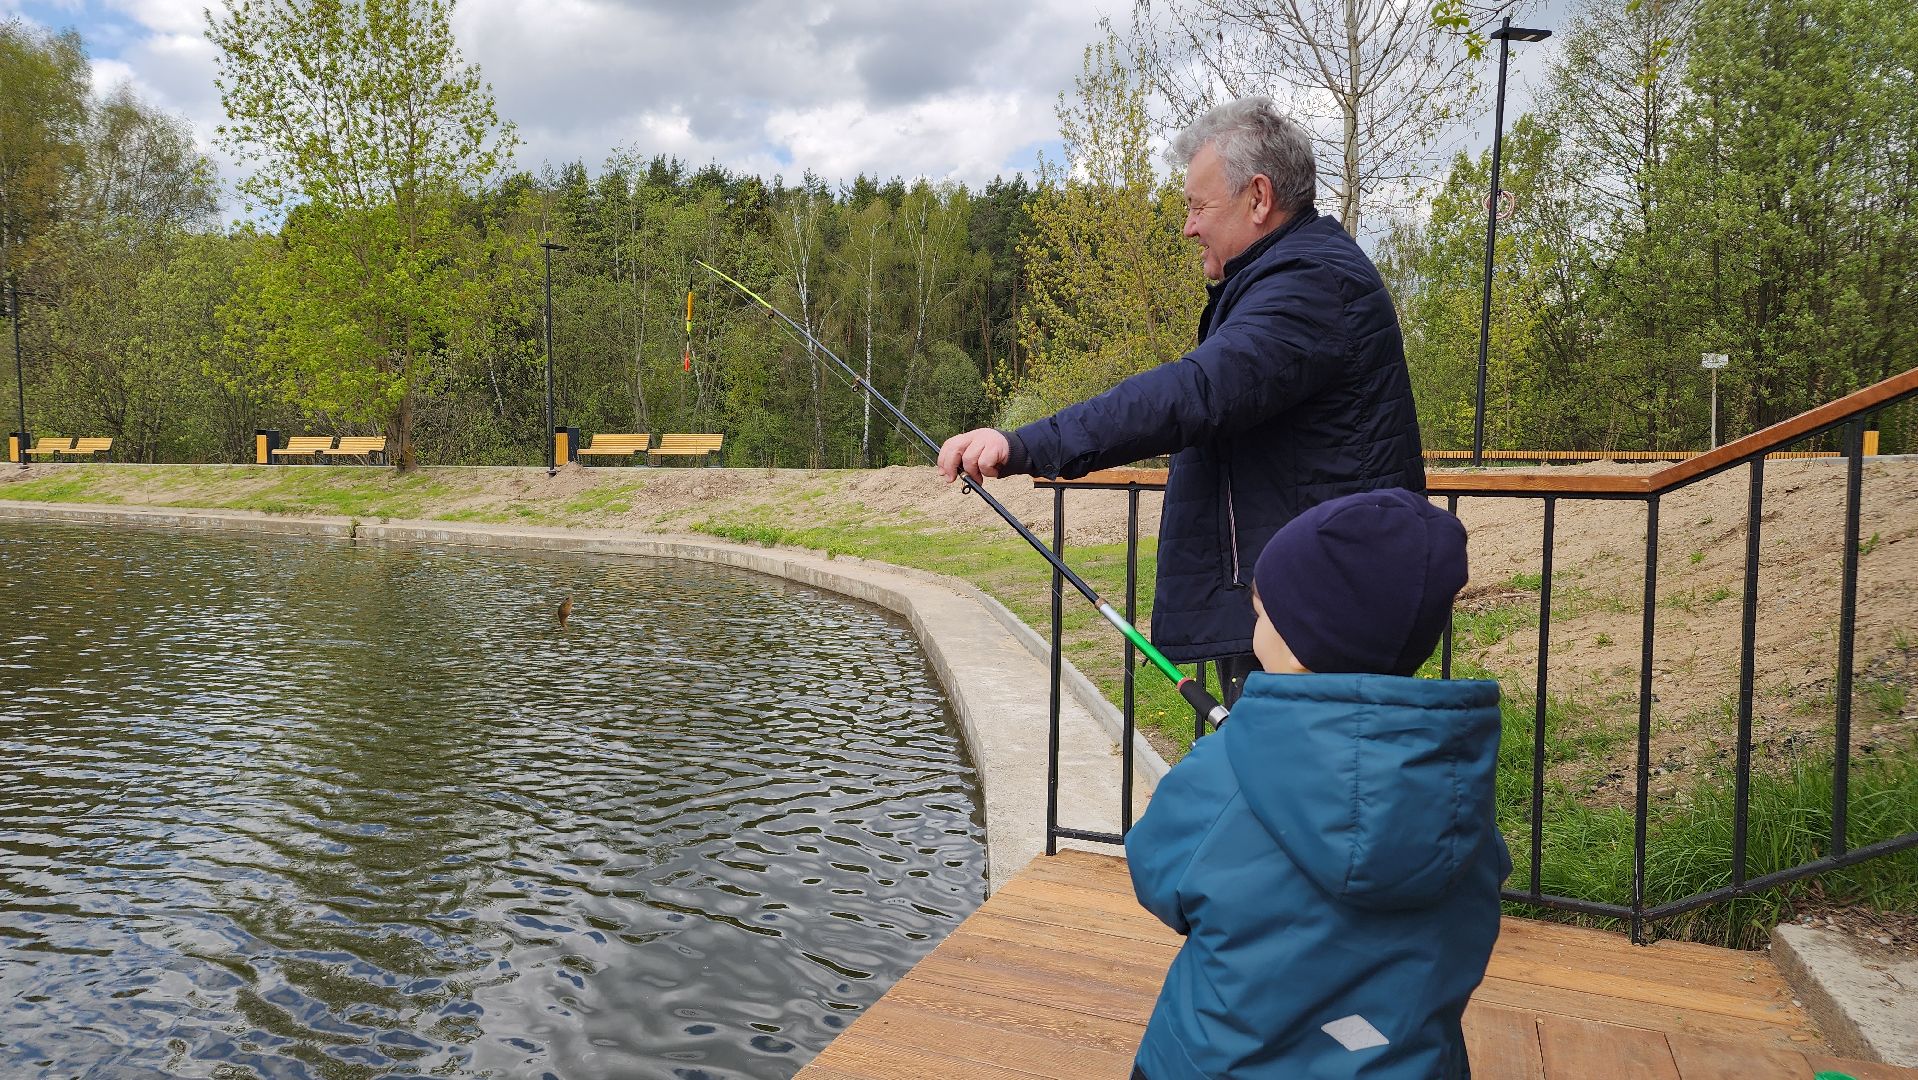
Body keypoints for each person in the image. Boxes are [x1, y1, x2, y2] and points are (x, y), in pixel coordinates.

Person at [937, 96, 1425, 706]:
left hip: (1318, 622)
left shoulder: (1311, 285)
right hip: (1304, 603)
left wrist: (1024, 444)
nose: (1189, 226)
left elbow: (1193, 392)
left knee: (1295, 795)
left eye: (1198, 206)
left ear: (1259, 197)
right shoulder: (1293, 275)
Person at [1124, 488, 1507, 1080]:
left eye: (1260, 612)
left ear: (1296, 635)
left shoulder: (1222, 774)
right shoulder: (1455, 787)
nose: (1255, 624)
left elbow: (1156, 874)